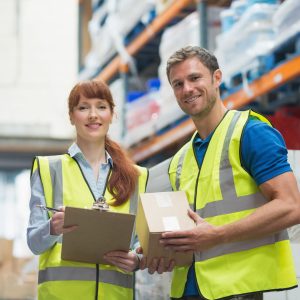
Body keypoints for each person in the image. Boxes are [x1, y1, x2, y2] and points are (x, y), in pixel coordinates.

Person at [141, 46, 300, 300]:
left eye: (195, 78)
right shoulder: (181, 160)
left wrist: (218, 235)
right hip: (189, 291)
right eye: (178, 84)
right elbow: (192, 226)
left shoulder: (249, 132)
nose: (187, 89)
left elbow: (292, 206)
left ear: (217, 78)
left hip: (238, 289)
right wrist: (159, 249)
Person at [27, 79, 148, 300]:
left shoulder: (137, 176)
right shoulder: (49, 168)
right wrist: (52, 228)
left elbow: (142, 241)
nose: (93, 115)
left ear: (112, 114)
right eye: (84, 108)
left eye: (101, 107)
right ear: (72, 116)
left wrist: (137, 260)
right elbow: (34, 243)